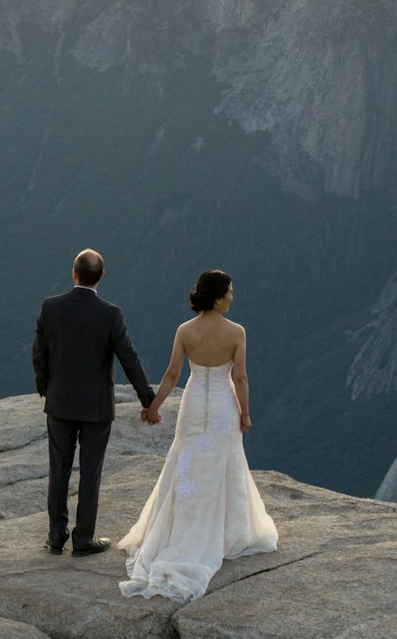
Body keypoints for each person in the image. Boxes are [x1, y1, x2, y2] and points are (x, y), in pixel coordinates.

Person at [118, 269, 277, 602]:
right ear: (218, 298)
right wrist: (245, 414)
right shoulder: (236, 332)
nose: (232, 297)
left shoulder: (185, 331)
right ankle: (224, 532)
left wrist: (153, 407)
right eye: (229, 292)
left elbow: (173, 373)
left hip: (193, 404)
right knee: (223, 463)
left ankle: (177, 531)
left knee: (185, 464)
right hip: (222, 407)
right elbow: (241, 379)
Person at [33, 248, 158, 556]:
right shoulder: (110, 314)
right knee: (90, 472)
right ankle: (83, 538)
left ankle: (55, 536)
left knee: (58, 469)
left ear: (73, 273)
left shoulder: (51, 307)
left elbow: (39, 353)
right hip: (96, 407)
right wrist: (148, 401)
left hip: (60, 403)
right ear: (101, 276)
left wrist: (46, 389)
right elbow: (129, 358)